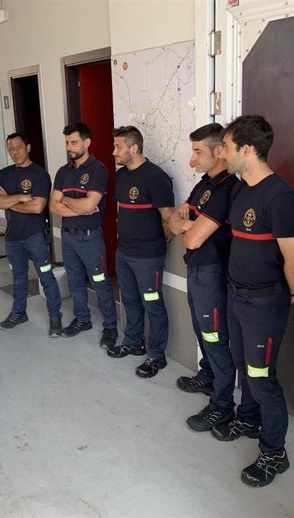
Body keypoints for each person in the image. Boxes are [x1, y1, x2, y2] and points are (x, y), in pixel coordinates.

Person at [211, 115, 294, 487]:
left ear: (247, 150)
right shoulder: (239, 189)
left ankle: (274, 453)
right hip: (237, 296)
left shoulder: (281, 197)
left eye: (228, 147)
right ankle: (248, 419)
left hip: (265, 304)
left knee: (262, 377)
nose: (223, 153)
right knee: (241, 363)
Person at [168, 123, 238, 430]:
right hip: (196, 268)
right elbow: (174, 219)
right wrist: (188, 225)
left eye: (198, 152)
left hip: (212, 273)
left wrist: (189, 227)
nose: (191, 160)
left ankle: (222, 404)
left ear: (219, 152)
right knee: (201, 329)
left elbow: (194, 239)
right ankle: (207, 376)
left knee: (214, 336)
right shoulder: (203, 185)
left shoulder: (226, 189)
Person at [107, 126, 175, 378]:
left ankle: (156, 356)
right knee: (131, 300)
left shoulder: (156, 177)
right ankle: (134, 341)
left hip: (148, 256)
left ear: (134, 149)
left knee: (153, 305)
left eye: (118, 147)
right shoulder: (122, 176)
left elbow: (167, 218)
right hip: (124, 252)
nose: (114, 152)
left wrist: (158, 245)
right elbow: (120, 213)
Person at [49, 123, 118, 348]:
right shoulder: (63, 172)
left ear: (87, 143)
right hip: (68, 237)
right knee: (75, 281)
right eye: (67, 142)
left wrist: (68, 201)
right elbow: (53, 206)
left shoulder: (98, 170)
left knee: (100, 283)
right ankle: (82, 319)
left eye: (74, 142)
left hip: (91, 239)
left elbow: (90, 203)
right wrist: (79, 206)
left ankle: (110, 327)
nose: (70, 147)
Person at [0, 133, 62, 337]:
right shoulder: (4, 174)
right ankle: (19, 312)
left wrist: (10, 201)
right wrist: (22, 198)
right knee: (18, 277)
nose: (15, 152)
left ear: (28, 147)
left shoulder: (40, 175)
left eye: (19, 147)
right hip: (13, 237)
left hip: (35, 237)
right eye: (11, 149)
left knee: (46, 277)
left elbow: (38, 207)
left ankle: (55, 316)